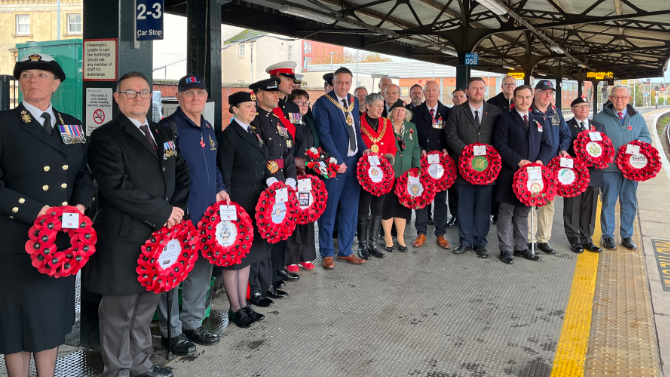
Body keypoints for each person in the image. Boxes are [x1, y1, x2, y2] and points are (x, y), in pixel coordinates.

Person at [86, 71, 190, 377]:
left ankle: (141, 365)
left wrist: (177, 211)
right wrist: (163, 211)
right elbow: (116, 187)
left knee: (146, 308)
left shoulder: (163, 133)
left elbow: (181, 174)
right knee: (120, 311)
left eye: (143, 93)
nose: (137, 98)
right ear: (117, 98)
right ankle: (117, 370)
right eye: (129, 93)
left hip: (161, 235)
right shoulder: (105, 137)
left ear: (151, 97)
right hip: (123, 238)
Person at [0, 53, 95, 377]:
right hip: (17, 241)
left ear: (55, 84)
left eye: (41, 74)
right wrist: (39, 212)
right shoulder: (4, 124)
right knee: (16, 324)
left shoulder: (72, 124)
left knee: (50, 319)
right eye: (26, 75)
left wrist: (80, 208)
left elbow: (84, 175)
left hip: (61, 244)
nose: (33, 80)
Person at [156, 75, 225, 355]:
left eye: (200, 93)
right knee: (172, 275)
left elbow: (214, 166)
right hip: (179, 217)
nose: (195, 98)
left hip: (206, 217)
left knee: (200, 272)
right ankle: (170, 332)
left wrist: (220, 189)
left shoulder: (207, 127)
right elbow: (160, 175)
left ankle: (192, 324)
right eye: (189, 93)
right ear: (178, 95)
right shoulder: (167, 128)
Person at [217, 91, 272, 327]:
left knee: (246, 256)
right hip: (237, 204)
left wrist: (271, 181)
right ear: (234, 109)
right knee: (234, 258)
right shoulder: (229, 135)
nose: (253, 109)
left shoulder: (252, 131)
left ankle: (244, 304)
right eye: (248, 106)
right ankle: (234, 307)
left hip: (255, 202)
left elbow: (263, 163)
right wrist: (226, 209)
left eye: (253, 106)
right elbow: (225, 171)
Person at [313, 67, 370, 270]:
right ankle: (327, 253)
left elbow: (357, 131)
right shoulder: (323, 103)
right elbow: (324, 135)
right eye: (340, 83)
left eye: (347, 83)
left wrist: (364, 151)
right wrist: (337, 160)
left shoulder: (353, 103)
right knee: (328, 209)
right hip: (334, 165)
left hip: (354, 162)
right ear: (333, 82)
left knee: (350, 208)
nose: (343, 86)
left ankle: (346, 251)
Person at [248, 77, 296, 303]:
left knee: (276, 233)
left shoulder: (277, 120)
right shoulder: (254, 120)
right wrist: (272, 178)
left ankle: (270, 279)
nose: (277, 96)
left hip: (281, 182)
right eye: (272, 93)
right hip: (265, 185)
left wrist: (291, 178)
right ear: (259, 96)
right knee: (261, 238)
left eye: (277, 92)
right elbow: (261, 156)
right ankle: (257, 287)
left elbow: (288, 151)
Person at [493, 85, 553, 264]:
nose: (524, 101)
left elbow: (547, 145)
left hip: (532, 175)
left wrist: (541, 161)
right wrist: (518, 161)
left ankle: (520, 247)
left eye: (527, 97)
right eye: (520, 97)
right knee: (506, 211)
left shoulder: (539, 119)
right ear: (514, 98)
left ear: (532, 98)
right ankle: (505, 248)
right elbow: (500, 144)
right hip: (510, 173)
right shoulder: (504, 118)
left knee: (523, 211)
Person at [445, 77, 502, 258]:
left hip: (488, 170)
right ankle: (465, 242)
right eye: (474, 89)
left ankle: (480, 243)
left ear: (485, 90)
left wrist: (489, 156)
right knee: (464, 207)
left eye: (481, 88)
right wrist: (467, 153)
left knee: (483, 208)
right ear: (467, 91)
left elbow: (498, 138)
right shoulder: (456, 112)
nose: (478, 92)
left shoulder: (495, 111)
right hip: (464, 168)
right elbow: (451, 136)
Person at [593, 85, 651, 250]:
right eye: (616, 97)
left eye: (623, 97)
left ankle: (627, 236)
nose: (619, 100)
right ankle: (608, 236)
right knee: (608, 202)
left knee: (629, 203)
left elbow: (646, 136)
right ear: (610, 99)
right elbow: (594, 142)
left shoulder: (637, 117)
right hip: (610, 169)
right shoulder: (600, 117)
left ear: (629, 99)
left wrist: (640, 144)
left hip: (632, 170)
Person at [265, 62, 302, 283]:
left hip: (291, 168)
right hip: (273, 172)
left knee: (286, 222)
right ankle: (273, 270)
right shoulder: (267, 110)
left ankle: (282, 265)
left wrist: (299, 162)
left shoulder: (292, 108)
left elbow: (300, 135)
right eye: (288, 80)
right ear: (275, 80)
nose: (292, 84)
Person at [527, 80, 571, 254]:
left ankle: (543, 239)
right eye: (544, 91)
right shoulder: (528, 112)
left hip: (551, 166)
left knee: (548, 203)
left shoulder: (555, 113)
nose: (548, 95)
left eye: (550, 92)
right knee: (530, 203)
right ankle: (529, 239)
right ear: (535, 93)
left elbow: (565, 134)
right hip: (532, 166)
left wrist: (563, 149)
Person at [357, 93, 397, 259]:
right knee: (364, 209)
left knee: (378, 209)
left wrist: (389, 157)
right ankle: (362, 245)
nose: (381, 109)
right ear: (368, 106)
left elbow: (391, 145)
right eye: (378, 106)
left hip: (382, 174)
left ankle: (373, 243)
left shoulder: (386, 123)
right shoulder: (358, 122)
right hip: (366, 174)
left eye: (382, 106)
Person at [412, 80, 450, 249]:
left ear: (439, 92)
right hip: (422, 161)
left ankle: (440, 233)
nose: (431, 93)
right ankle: (421, 232)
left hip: (441, 164)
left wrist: (447, 150)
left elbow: (452, 134)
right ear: (424, 92)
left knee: (441, 200)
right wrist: (419, 149)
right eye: (428, 90)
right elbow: (411, 136)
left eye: (434, 90)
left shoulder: (447, 112)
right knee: (421, 196)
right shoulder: (414, 112)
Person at [284, 88, 319, 273]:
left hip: (308, 175)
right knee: (293, 216)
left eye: (306, 102)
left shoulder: (307, 122)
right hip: (293, 173)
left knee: (307, 214)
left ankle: (306, 256)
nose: (303, 105)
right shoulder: (289, 123)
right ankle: (291, 258)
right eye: (299, 102)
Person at [564, 97, 604, 253]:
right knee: (572, 208)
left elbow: (605, 150)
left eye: (586, 106)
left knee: (590, 208)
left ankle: (587, 239)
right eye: (579, 107)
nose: (584, 109)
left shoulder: (598, 127)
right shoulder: (566, 126)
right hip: (573, 175)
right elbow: (564, 148)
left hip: (593, 174)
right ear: (573, 109)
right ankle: (574, 240)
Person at [382, 100, 421, 252]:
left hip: (406, 173)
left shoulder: (411, 127)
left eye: (402, 110)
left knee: (403, 206)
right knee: (388, 206)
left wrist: (416, 167)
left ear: (407, 113)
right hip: (388, 173)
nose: (400, 112)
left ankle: (400, 237)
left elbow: (416, 148)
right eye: (397, 110)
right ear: (391, 112)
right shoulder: (385, 126)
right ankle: (387, 237)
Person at [488, 76, 516, 225]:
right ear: (502, 86)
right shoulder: (492, 103)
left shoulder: (520, 102)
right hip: (497, 149)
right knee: (498, 182)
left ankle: (513, 212)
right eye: (507, 84)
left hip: (515, 149)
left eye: (512, 84)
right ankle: (496, 212)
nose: (510, 86)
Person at [446, 88, 467, 228]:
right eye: (456, 97)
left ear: (466, 98)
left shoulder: (469, 113)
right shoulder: (449, 113)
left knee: (464, 191)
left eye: (461, 96)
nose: (459, 99)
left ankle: (464, 216)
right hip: (451, 157)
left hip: (469, 159)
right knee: (453, 189)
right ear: (452, 100)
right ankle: (454, 215)